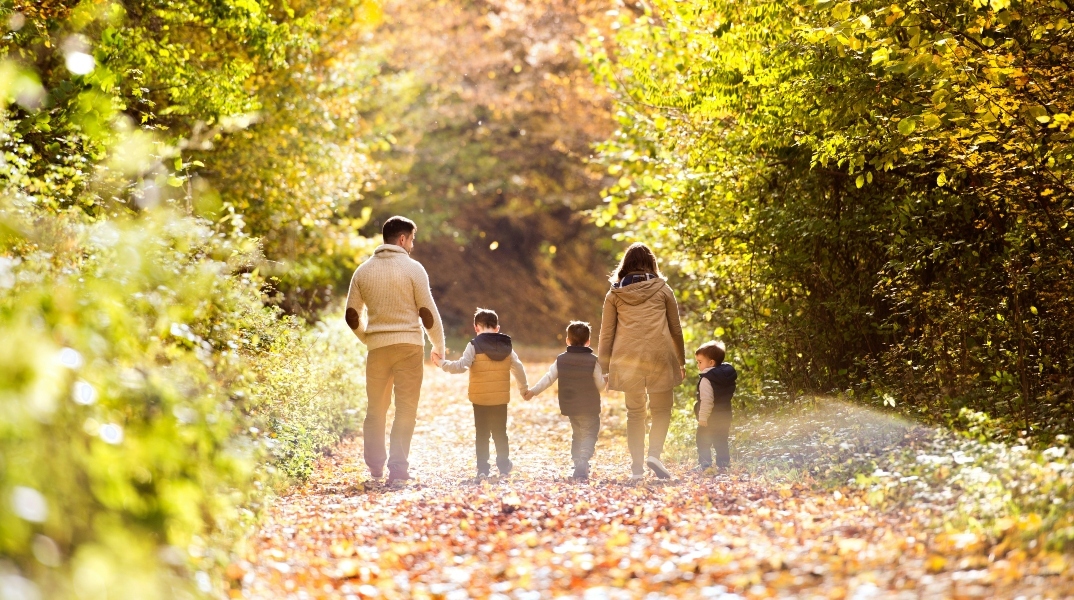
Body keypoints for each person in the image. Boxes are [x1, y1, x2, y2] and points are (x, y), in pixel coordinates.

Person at [345, 216, 446, 485]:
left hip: (378, 349)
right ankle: (398, 470)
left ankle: (375, 468)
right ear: (402, 239)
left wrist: (367, 338)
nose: (412, 244)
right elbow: (428, 313)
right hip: (409, 348)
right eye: (412, 239)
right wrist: (439, 346)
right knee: (406, 409)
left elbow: (351, 315)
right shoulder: (414, 269)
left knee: (375, 409)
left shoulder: (363, 271)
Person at [597, 242, 685, 481]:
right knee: (662, 409)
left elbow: (607, 333)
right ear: (651, 263)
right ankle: (654, 455)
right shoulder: (663, 289)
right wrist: (681, 360)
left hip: (627, 358)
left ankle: (636, 469)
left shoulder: (615, 294)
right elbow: (675, 328)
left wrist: (604, 368)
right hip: (660, 355)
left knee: (635, 413)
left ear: (625, 264)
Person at [435, 308, 528, 478]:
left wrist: (442, 363)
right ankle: (503, 466)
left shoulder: (474, 345)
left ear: (476, 327)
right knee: (500, 432)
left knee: (482, 434)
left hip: (480, 399)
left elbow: (462, 366)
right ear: (497, 328)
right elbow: (518, 367)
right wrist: (524, 389)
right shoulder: (507, 346)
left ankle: (483, 469)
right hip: (500, 399)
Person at [524, 321, 604, 481]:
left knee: (577, 433)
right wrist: (606, 380)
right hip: (589, 406)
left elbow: (549, 378)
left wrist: (533, 391)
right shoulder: (593, 361)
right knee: (590, 433)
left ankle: (577, 462)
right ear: (588, 341)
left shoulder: (561, 360)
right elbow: (600, 385)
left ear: (567, 340)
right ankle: (583, 460)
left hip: (571, 405)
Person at [694, 340, 737, 471]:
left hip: (710, 418)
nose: (698, 365)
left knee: (702, 440)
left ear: (711, 362)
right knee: (721, 441)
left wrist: (703, 417)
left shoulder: (707, 379)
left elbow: (707, 401)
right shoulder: (726, 376)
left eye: (700, 362)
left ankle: (705, 464)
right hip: (724, 416)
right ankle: (724, 464)